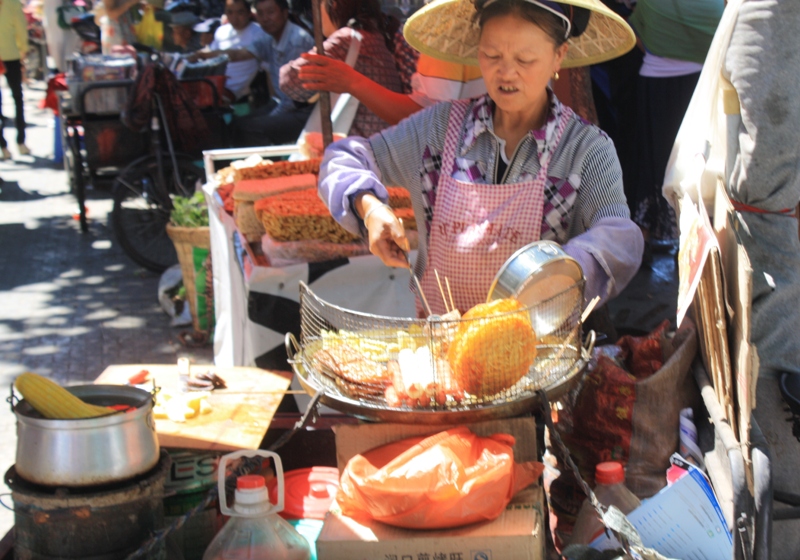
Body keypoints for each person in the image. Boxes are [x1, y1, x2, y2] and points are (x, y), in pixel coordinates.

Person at [318, 0, 642, 316]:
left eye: (525, 59)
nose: (506, 72)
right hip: (441, 350)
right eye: (492, 55)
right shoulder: (439, 130)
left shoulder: (585, 148)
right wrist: (370, 207)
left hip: (541, 358)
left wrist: (563, 272)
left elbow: (620, 235)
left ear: (559, 56)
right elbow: (344, 157)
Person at [627, 0, 724, 258]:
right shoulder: (713, 5)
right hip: (701, 86)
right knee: (696, 163)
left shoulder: (650, 4)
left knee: (653, 165)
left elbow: (634, 34)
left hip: (656, 84)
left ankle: (642, 242)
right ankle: (692, 245)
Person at [279, 0, 404, 138]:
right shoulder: (374, 36)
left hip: (360, 149)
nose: (314, 13)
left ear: (334, 4)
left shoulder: (348, 38)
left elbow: (290, 81)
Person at [229, 0, 315, 145]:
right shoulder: (269, 38)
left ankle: (269, 167)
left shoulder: (296, 40)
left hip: (303, 109)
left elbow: (293, 100)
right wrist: (205, 56)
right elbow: (242, 54)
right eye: (260, 14)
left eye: (270, 12)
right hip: (282, 103)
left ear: (284, 13)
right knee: (235, 124)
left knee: (252, 129)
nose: (265, 18)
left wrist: (270, 117)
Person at [208, 0, 267, 101]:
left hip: (234, 92)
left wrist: (202, 55)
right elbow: (210, 58)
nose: (234, 18)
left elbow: (267, 68)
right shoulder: (221, 31)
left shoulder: (259, 33)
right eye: (230, 12)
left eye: (240, 12)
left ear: (249, 13)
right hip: (212, 85)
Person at [0, 0, 30, 159]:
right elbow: (21, 28)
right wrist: (23, 50)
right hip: (11, 55)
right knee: (18, 98)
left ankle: (3, 147)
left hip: (10, 55)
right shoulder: (12, 3)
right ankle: (21, 143)